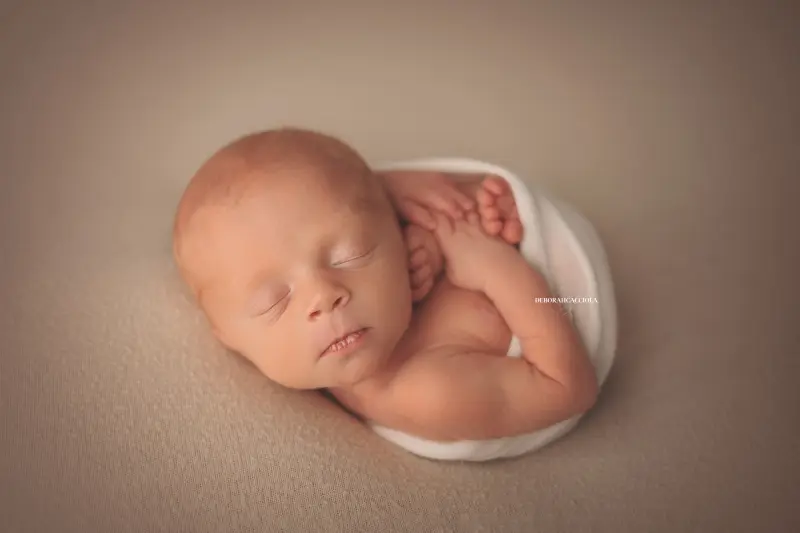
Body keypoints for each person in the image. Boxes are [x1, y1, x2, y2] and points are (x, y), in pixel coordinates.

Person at [172, 127, 597, 442]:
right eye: (274, 302)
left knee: (381, 199)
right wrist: (496, 268)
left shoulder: (378, 264)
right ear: (227, 338)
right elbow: (569, 388)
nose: (324, 295)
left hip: (447, 242)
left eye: (349, 256)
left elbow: (318, 203)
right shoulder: (427, 392)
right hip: (561, 299)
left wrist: (397, 193)